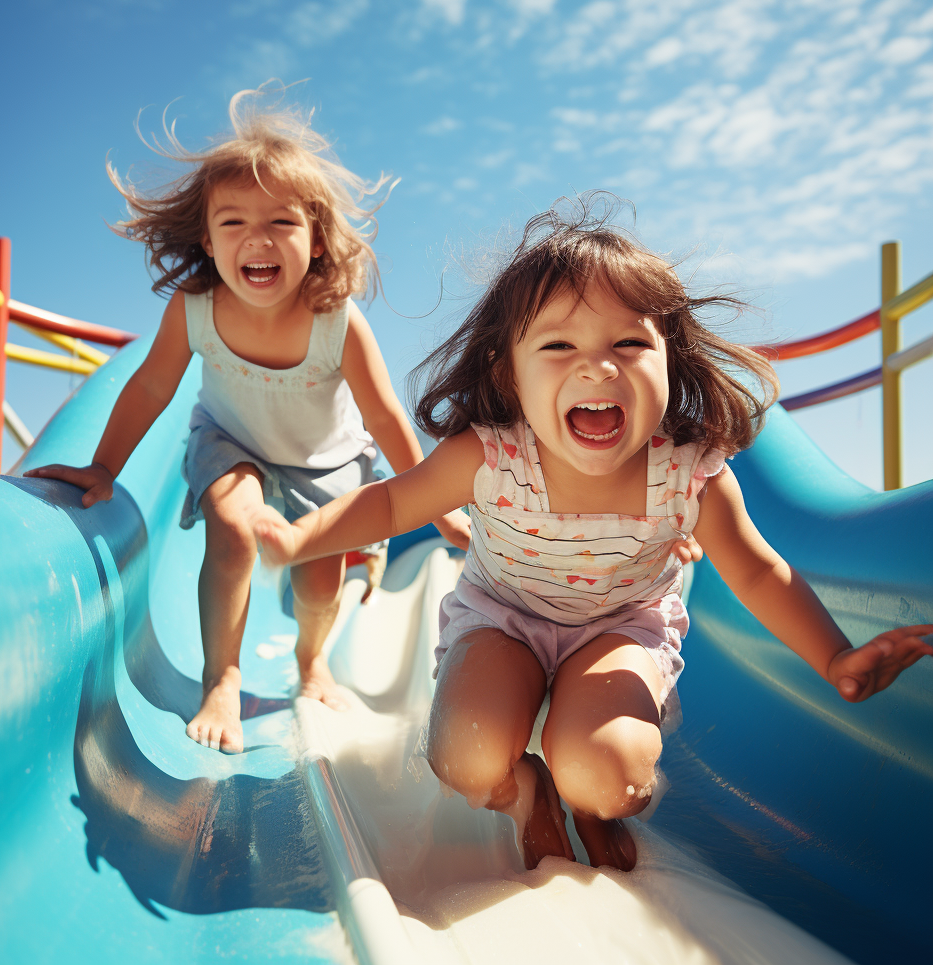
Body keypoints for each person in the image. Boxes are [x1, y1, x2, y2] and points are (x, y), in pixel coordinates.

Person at [251, 196, 933, 871]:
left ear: (672, 360)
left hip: (621, 628)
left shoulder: (689, 476)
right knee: (468, 755)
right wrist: (296, 538)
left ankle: (591, 802)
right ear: (507, 373)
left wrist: (835, 656)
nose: (597, 366)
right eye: (558, 345)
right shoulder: (491, 457)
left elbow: (756, 571)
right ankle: (527, 793)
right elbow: (391, 506)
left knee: (605, 771)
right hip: (503, 621)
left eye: (629, 343)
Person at [26, 90, 470, 754]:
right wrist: (104, 467)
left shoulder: (337, 321)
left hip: (330, 460)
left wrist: (436, 507)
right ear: (208, 239)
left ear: (316, 239)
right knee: (233, 530)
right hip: (231, 442)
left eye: (281, 223)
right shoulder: (196, 307)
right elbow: (152, 386)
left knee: (318, 581)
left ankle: (312, 662)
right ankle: (222, 677)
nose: (256, 239)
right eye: (233, 223)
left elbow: (381, 415)